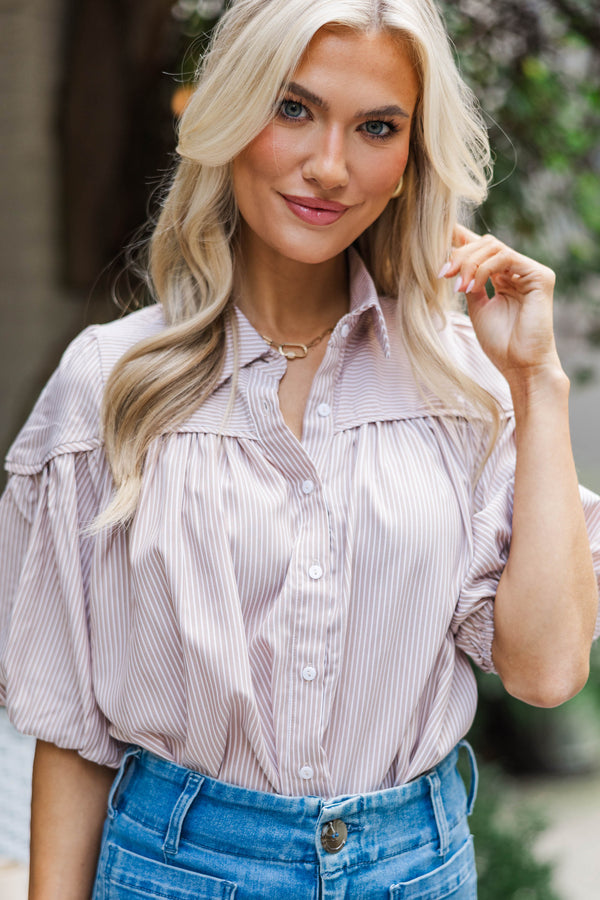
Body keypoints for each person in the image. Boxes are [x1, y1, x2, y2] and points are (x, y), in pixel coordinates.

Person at [1, 0, 599, 897]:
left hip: (416, 870)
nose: (329, 166)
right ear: (231, 116)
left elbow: (548, 670)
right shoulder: (107, 385)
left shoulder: (462, 385)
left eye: (376, 127)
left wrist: (537, 385)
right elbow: (71, 732)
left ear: (407, 162)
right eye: (292, 108)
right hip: (175, 870)